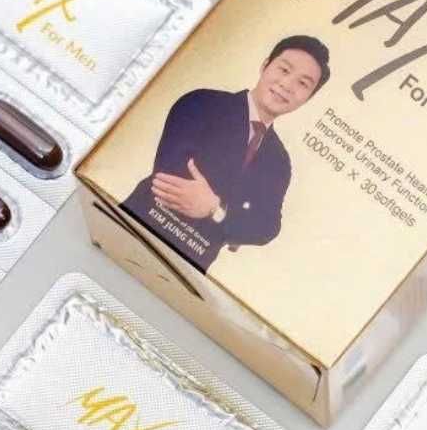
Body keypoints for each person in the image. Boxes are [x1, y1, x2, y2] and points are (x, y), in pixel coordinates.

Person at [123, 35, 331, 274]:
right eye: (284, 70)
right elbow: (169, 180)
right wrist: (236, 221)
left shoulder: (279, 161)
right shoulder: (203, 103)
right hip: (136, 229)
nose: (287, 84)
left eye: (303, 83)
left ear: (308, 98)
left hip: (188, 266)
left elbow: (266, 228)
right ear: (265, 65)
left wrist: (214, 208)